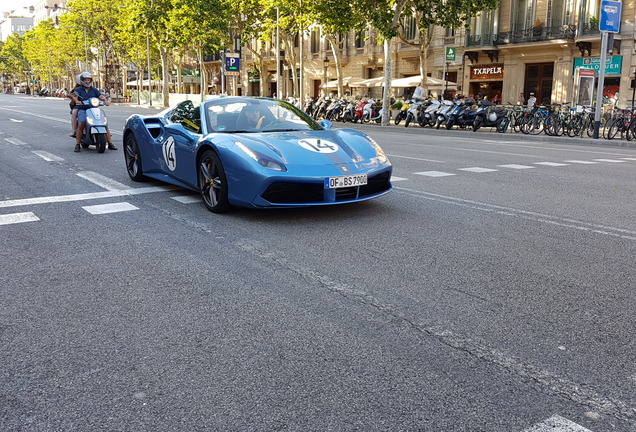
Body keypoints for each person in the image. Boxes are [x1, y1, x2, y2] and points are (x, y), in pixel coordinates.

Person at [69, 72, 116, 152]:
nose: (87, 81)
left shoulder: (94, 89)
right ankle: (77, 144)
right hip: (83, 109)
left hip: (94, 109)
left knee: (104, 124)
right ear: (82, 81)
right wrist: (77, 101)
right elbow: (75, 96)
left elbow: (100, 96)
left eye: (88, 80)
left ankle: (110, 143)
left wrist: (105, 100)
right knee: (81, 123)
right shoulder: (78, 89)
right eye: (85, 80)